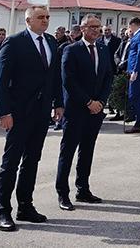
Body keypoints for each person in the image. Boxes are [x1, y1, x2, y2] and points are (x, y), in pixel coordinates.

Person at [0, 5, 63, 232]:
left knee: (32, 160)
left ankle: (25, 205)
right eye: (40, 17)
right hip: (18, 113)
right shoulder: (14, 43)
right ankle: (4, 210)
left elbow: (53, 78)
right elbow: (1, 81)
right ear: (28, 20)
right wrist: (4, 112)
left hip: (41, 113)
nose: (45, 21)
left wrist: (58, 103)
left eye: (47, 17)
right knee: (11, 163)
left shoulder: (51, 42)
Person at [55, 15, 112, 210]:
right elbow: (68, 80)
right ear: (83, 28)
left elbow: (108, 77)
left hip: (96, 110)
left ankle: (83, 189)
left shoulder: (103, 49)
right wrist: (88, 102)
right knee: (68, 151)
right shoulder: (71, 50)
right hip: (76, 109)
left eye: (99, 26)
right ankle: (63, 193)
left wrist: (101, 102)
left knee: (87, 151)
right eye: (92, 27)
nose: (97, 30)